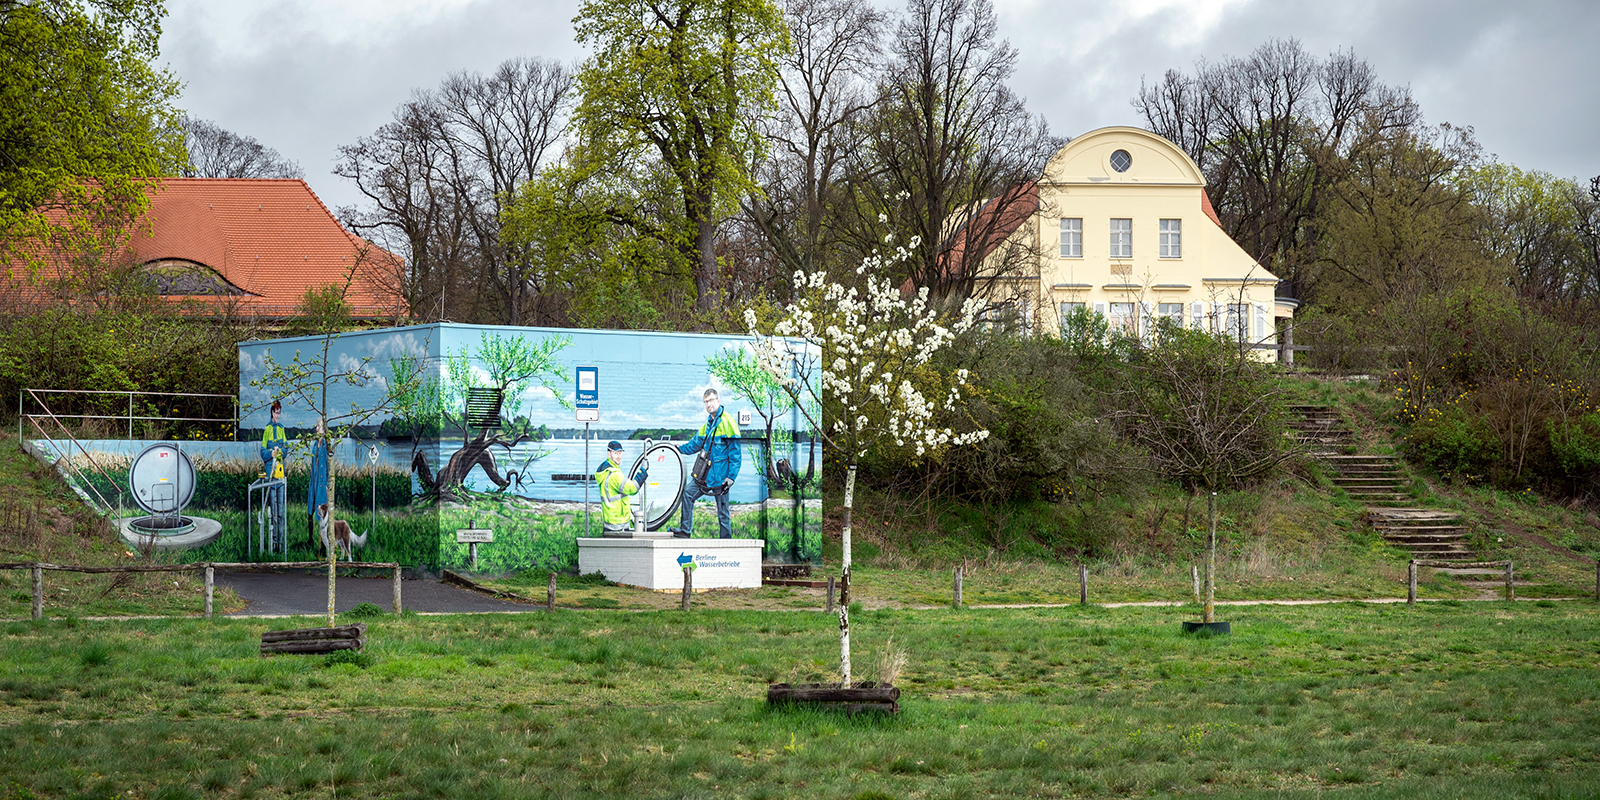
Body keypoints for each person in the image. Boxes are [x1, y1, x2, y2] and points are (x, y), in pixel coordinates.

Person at [672, 388, 741, 539]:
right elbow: (694, 445)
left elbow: (735, 454)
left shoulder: (729, 423)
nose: (708, 404)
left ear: (718, 401)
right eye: (706, 402)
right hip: (704, 476)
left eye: (711, 400)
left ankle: (726, 541)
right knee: (688, 494)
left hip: (721, 478)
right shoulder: (707, 426)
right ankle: (685, 530)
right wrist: (677, 449)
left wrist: (731, 477)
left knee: (723, 512)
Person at [595, 440, 648, 537]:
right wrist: (642, 471)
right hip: (619, 526)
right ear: (609, 454)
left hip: (609, 523)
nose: (619, 456)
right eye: (615, 453)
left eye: (620, 453)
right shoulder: (614, 475)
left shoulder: (604, 471)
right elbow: (632, 488)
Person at [258, 400, 288, 551]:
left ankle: (280, 545)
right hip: (270, 477)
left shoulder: (282, 429)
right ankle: (272, 542)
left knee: (281, 513)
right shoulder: (267, 429)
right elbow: (262, 453)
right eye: (276, 412)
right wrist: (271, 453)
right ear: (271, 413)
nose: (277, 415)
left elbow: (287, 450)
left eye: (279, 413)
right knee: (273, 513)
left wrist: (280, 451)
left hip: (280, 476)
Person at [306, 417, 329, 553]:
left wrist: (326, 484)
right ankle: (310, 540)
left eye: (319, 427)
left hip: (321, 485)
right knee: (310, 512)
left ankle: (324, 547)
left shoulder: (326, 445)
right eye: (316, 426)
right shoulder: (315, 444)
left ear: (324, 429)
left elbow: (327, 466)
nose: (316, 429)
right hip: (313, 483)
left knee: (322, 515)